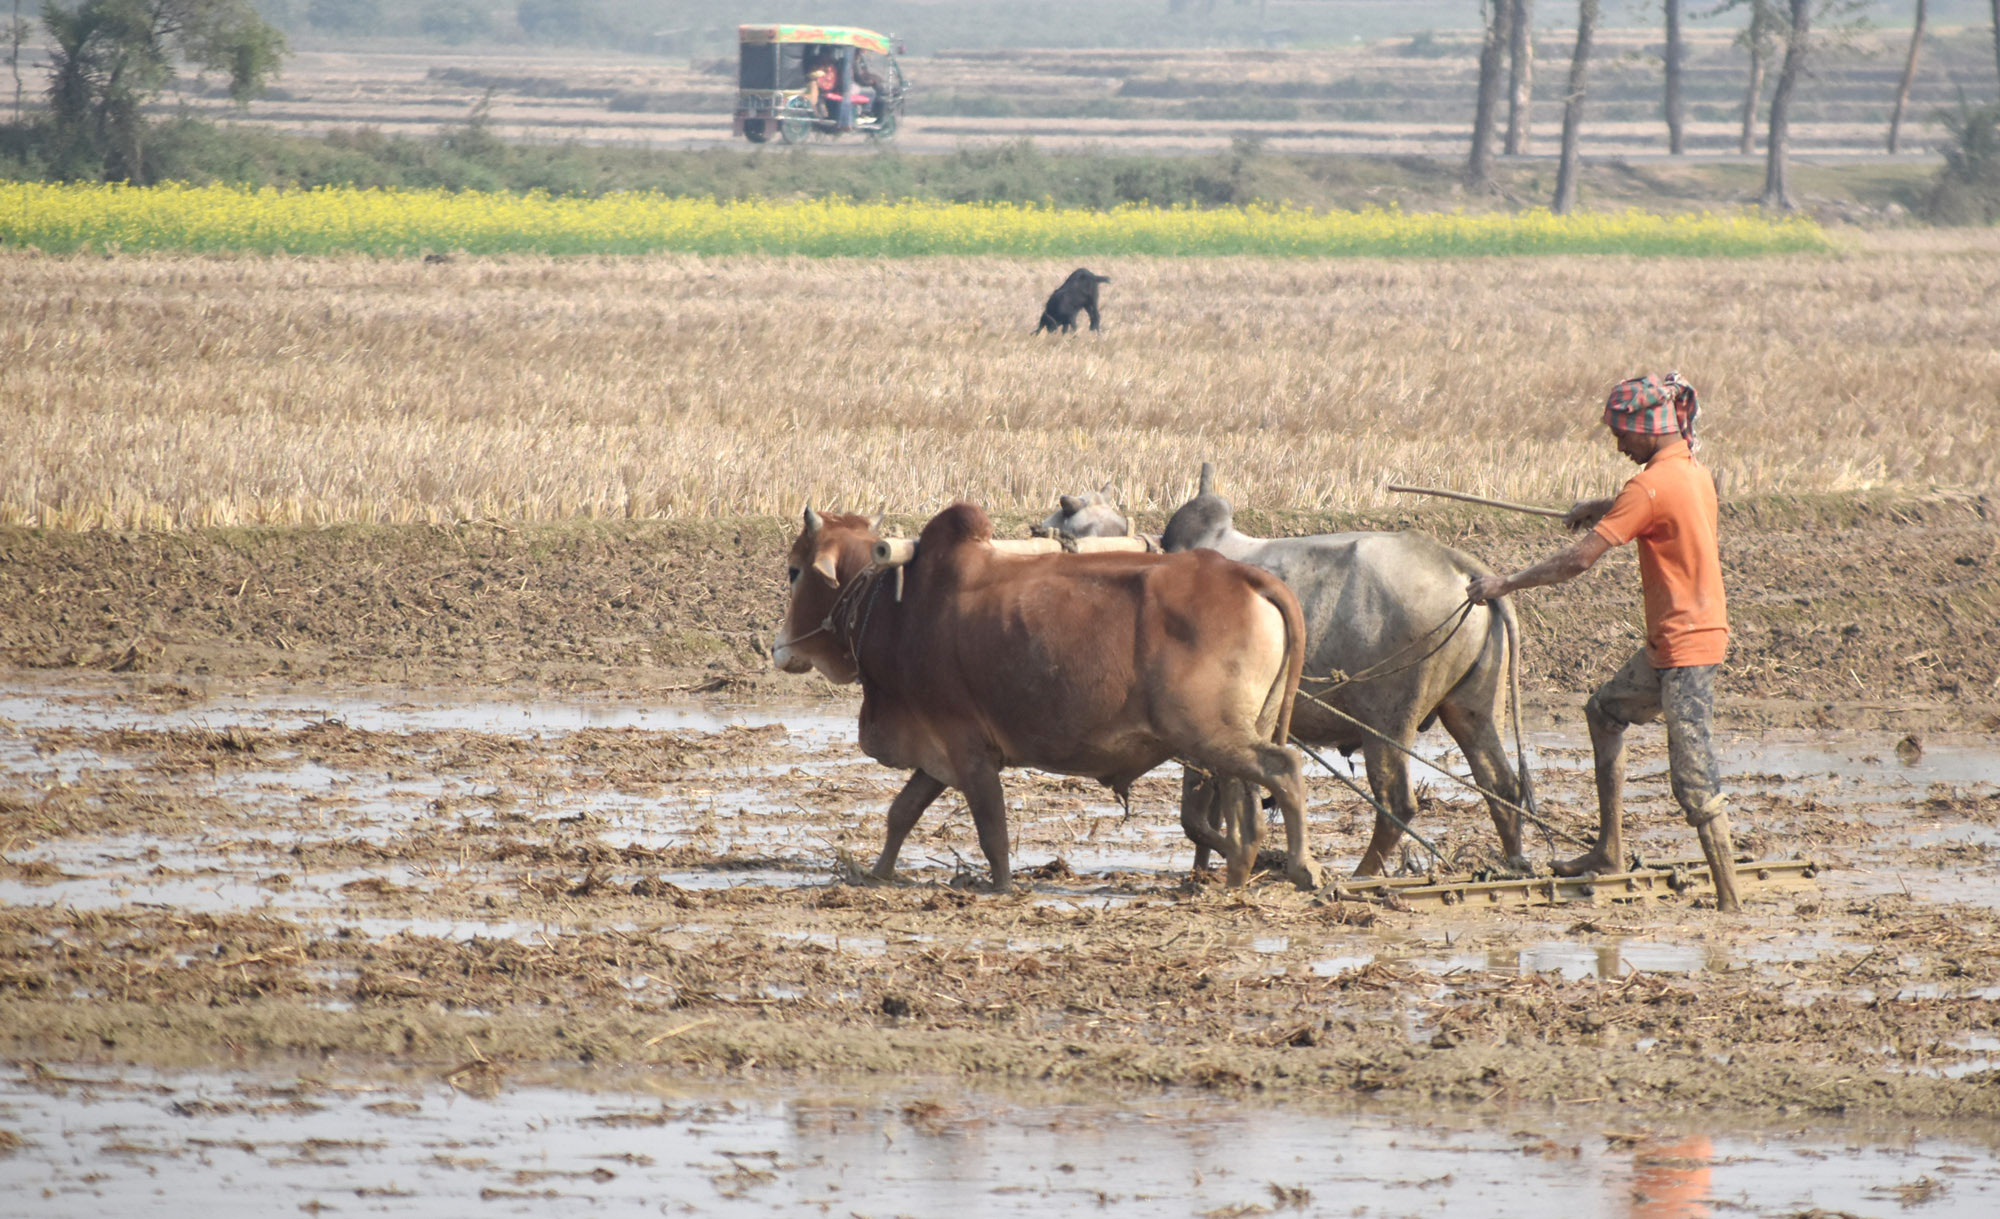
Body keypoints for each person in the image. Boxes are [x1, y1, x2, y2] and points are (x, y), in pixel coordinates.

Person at [1466, 372, 1744, 912]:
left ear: (1646, 427)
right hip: (1675, 642)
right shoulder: (1687, 470)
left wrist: (1505, 584)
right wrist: (1604, 507)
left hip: (1687, 650)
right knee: (1603, 711)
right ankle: (1610, 851)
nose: (1619, 445)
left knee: (1693, 782)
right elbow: (1651, 508)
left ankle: (1731, 905)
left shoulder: (1649, 487)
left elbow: (1577, 561)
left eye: (1622, 435)